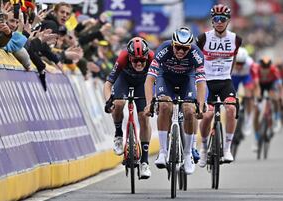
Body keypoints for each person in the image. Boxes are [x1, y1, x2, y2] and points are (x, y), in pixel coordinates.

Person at [144, 27, 206, 175]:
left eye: (184, 49)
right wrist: (148, 103)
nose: (180, 51)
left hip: (187, 79)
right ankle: (163, 151)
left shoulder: (196, 53)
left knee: (190, 110)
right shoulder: (164, 49)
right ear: (172, 44)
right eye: (177, 47)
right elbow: (149, 80)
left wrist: (201, 105)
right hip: (165, 78)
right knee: (164, 106)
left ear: (189, 47)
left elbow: (201, 82)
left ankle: (187, 155)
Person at [196, 4, 242, 167]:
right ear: (212, 21)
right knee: (207, 116)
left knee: (231, 109)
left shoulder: (236, 39)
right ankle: (203, 149)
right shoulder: (203, 38)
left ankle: (227, 148)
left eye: (223, 19)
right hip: (207, 82)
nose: (219, 22)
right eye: (216, 19)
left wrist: (228, 74)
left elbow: (234, 59)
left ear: (228, 21)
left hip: (225, 81)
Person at [103, 37, 154, 179]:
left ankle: (144, 161)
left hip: (143, 83)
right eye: (135, 61)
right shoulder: (122, 57)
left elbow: (158, 80)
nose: (139, 63)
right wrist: (108, 101)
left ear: (146, 57)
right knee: (118, 103)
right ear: (129, 58)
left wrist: (153, 101)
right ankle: (119, 134)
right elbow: (108, 83)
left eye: (142, 60)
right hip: (124, 79)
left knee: (144, 117)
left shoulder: (152, 57)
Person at [251, 57, 283, 139]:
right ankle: (256, 138)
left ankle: (277, 119)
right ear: (260, 66)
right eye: (263, 67)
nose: (265, 70)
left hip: (271, 85)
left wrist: (282, 98)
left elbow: (280, 87)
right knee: (256, 112)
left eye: (267, 67)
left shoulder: (274, 70)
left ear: (270, 66)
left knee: (275, 98)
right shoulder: (257, 69)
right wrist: (257, 96)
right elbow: (256, 85)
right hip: (260, 86)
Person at [231, 47, 259, 136]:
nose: (239, 66)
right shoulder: (229, 62)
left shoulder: (251, 64)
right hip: (234, 77)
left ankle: (248, 119)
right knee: (230, 94)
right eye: (237, 63)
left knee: (248, 94)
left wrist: (255, 95)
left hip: (246, 77)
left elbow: (256, 81)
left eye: (241, 63)